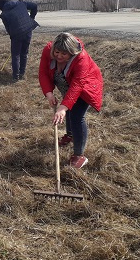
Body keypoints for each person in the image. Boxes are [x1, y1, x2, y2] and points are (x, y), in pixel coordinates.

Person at [38, 32, 103, 169]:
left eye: (64, 54)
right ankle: (71, 135)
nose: (59, 56)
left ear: (72, 53)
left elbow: (77, 85)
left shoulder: (81, 58)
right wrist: (49, 94)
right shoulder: (48, 51)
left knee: (76, 115)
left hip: (86, 87)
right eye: (57, 52)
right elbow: (43, 72)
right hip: (66, 85)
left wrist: (63, 107)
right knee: (67, 109)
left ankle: (79, 155)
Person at [0, 0, 39, 82]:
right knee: (24, 53)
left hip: (16, 35)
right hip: (27, 31)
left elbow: (8, 28)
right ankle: (22, 73)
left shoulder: (4, 14)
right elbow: (34, 6)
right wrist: (31, 18)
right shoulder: (21, 3)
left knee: (15, 55)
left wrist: (12, 36)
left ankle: (15, 77)